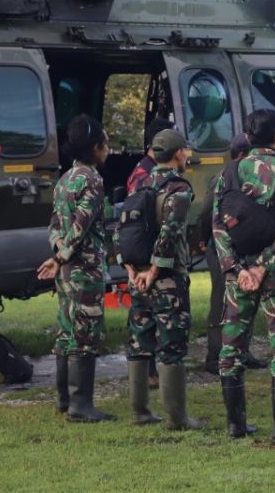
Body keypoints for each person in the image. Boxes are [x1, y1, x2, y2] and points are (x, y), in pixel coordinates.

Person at [213, 108, 275, 442]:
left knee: (231, 350)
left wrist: (237, 269)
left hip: (237, 277)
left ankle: (235, 425)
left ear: (249, 137)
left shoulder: (229, 173)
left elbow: (218, 227)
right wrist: (263, 266)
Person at [116, 128, 204, 430]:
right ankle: (177, 418)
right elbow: (171, 231)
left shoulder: (140, 182)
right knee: (172, 344)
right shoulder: (178, 188)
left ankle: (141, 412)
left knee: (139, 341)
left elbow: (124, 227)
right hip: (166, 278)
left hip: (138, 276)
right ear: (178, 153)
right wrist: (154, 271)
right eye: (186, 151)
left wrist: (133, 272)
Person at [36, 114, 115, 423]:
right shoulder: (93, 180)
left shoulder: (65, 179)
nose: (108, 150)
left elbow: (55, 222)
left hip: (67, 272)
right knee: (86, 332)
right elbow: (81, 228)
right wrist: (61, 257)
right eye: (106, 144)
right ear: (95, 148)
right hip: (85, 269)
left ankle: (64, 399)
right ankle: (81, 406)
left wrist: (57, 251)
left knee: (67, 329)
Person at [198, 134, 264, 374]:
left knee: (246, 301)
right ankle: (214, 355)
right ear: (242, 155)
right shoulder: (223, 178)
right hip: (222, 248)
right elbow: (206, 214)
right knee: (220, 303)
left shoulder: (249, 177)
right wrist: (204, 241)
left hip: (243, 247)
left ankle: (243, 352)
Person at [125, 115, 172, 390]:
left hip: (145, 254)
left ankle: (147, 374)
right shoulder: (147, 175)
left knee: (144, 316)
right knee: (149, 316)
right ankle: (150, 373)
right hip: (149, 254)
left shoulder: (144, 170)